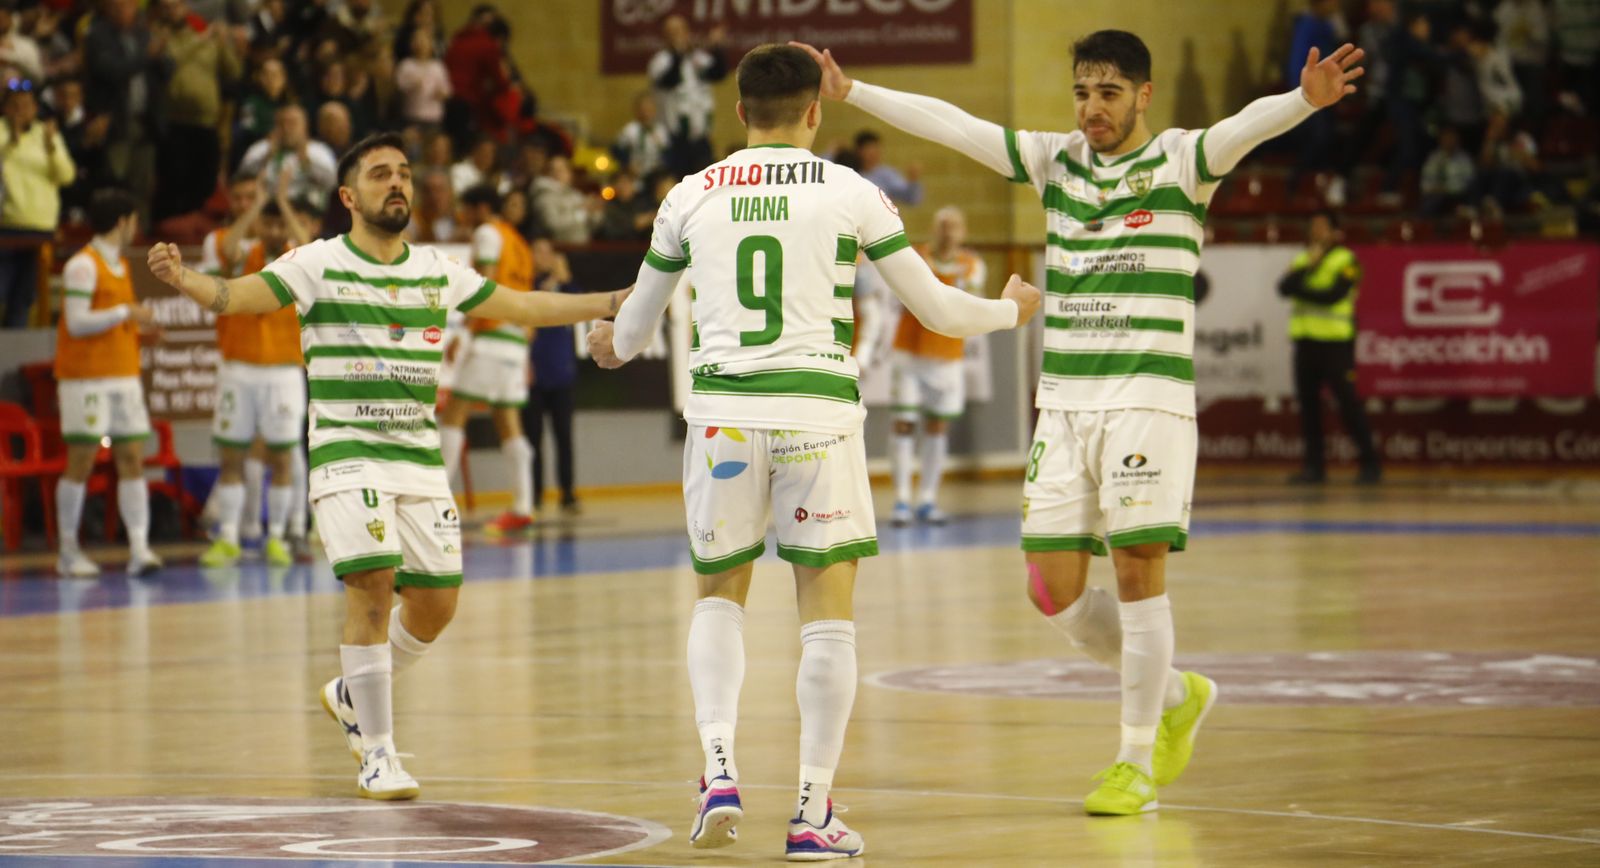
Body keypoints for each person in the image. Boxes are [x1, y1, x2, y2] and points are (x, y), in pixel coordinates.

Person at [796, 29, 1365, 815]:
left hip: (1146, 402)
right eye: (1081, 92)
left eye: (1107, 93)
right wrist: (855, 94)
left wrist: (1307, 99)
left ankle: (1135, 759)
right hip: (1063, 404)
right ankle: (1175, 694)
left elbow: (1248, 125)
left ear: (1142, 95)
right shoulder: (1053, 160)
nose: (1091, 109)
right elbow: (955, 125)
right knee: (1050, 588)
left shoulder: (1181, 161)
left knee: (1137, 573)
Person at [587, 44, 1039, 859]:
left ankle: (719, 768)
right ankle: (811, 810)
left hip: (723, 414)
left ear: (738, 112)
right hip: (817, 417)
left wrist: (606, 342)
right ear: (815, 112)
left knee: (719, 596)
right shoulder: (850, 190)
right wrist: (1012, 311)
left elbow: (633, 331)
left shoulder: (690, 194)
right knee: (826, 621)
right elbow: (937, 311)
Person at [147, 131, 628, 801]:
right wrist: (183, 280)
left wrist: (609, 302)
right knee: (371, 589)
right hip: (346, 452)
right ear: (349, 196)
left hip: (417, 459)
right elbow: (234, 295)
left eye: (403, 172)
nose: (397, 182)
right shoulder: (315, 262)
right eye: (380, 175)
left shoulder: (434, 268)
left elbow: (519, 305)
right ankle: (378, 752)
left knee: (435, 605)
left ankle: (351, 692)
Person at [200, 187, 311, 567]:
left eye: (281, 222)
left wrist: (282, 202)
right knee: (231, 455)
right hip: (239, 368)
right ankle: (229, 536)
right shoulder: (245, 254)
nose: (276, 227)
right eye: (269, 221)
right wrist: (261, 205)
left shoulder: (298, 260)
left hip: (284, 371)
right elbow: (227, 249)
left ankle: (276, 537)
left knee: (282, 457)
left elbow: (309, 243)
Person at [55, 189, 162, 578]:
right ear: (122, 221)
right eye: (133, 220)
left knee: (132, 458)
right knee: (81, 462)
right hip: (85, 381)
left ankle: (139, 548)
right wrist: (125, 312)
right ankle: (67, 551)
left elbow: (111, 322)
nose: (135, 227)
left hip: (123, 376)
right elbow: (78, 322)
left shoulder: (119, 264)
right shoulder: (82, 265)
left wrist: (135, 330)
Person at [438, 184, 538, 535]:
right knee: (508, 421)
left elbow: (482, 286)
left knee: (454, 413)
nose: (464, 216)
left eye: (467, 209)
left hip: (491, 336)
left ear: (481, 208)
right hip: (516, 339)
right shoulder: (520, 244)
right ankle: (523, 506)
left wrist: (463, 333)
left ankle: (435, 501)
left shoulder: (487, 233)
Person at [887, 206, 982, 527]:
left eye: (954, 225)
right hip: (910, 353)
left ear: (964, 231)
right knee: (904, 422)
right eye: (942, 225)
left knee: (937, 426)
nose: (947, 231)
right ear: (933, 228)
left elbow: (962, 303)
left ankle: (927, 499)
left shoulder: (972, 265)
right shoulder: (915, 257)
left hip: (947, 356)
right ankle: (901, 499)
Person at [1277, 211, 1380, 485]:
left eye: (1323, 227)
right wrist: (1309, 267)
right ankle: (1314, 468)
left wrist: (1302, 287)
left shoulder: (1346, 260)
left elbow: (1334, 295)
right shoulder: (1303, 259)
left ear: (1336, 232)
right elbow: (1283, 288)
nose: (1317, 232)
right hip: (1306, 342)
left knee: (1348, 404)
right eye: (1313, 227)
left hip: (1336, 344)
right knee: (1308, 408)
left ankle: (1370, 463)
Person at [153, 0, 240, 223]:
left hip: (207, 120)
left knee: (204, 180)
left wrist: (224, 43)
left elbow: (233, 71)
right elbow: (172, 59)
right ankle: (172, 226)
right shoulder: (160, 34)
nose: (172, 11)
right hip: (175, 120)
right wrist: (201, 40)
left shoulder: (206, 36)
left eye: (176, 6)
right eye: (167, 7)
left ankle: (198, 226)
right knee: (175, 179)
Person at [0, 78, 74, 328]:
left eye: (27, 105)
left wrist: (52, 146)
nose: (22, 110)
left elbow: (66, 176)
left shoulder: (46, 133)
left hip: (40, 229)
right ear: (6, 108)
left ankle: (14, 357)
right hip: (6, 227)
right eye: (15, 105)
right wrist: (12, 139)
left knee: (26, 298)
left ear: (35, 108)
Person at [524, 236, 579, 514]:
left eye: (548, 251)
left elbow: (578, 304)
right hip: (533, 373)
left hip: (561, 372)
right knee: (532, 439)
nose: (543, 256)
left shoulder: (564, 285)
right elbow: (532, 306)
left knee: (564, 437)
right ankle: (534, 494)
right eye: (538, 251)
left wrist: (564, 277)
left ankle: (568, 493)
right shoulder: (526, 284)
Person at [648, 15, 728, 176]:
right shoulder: (660, 61)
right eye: (672, 32)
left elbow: (718, 73)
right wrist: (679, 52)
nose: (677, 35)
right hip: (675, 139)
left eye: (680, 31)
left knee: (706, 180)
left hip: (701, 135)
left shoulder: (697, 58)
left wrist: (716, 46)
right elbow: (670, 80)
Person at [238, 104, 339, 207]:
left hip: (307, 213)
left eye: (292, 123)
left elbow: (332, 184)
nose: (286, 129)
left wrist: (306, 161)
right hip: (266, 210)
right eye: (281, 123)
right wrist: (267, 157)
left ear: (305, 126)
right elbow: (241, 180)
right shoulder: (260, 148)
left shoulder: (319, 150)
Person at [853, 130, 922, 206]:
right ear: (859, 151)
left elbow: (910, 198)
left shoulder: (887, 175)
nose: (873, 153)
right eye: (868, 149)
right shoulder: (852, 173)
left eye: (876, 148)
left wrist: (913, 180)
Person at [611, 90, 669, 177]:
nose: (646, 113)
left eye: (649, 109)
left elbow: (668, 153)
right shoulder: (630, 130)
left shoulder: (661, 130)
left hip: (656, 174)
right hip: (635, 174)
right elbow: (616, 150)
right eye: (643, 109)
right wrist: (628, 164)